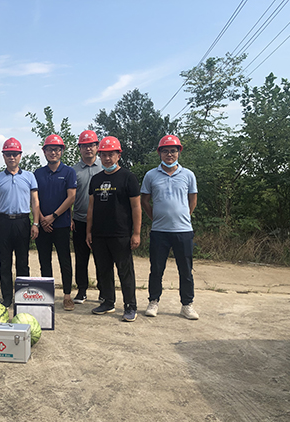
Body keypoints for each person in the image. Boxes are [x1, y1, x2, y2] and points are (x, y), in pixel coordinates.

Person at [141, 134, 199, 320]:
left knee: (186, 270)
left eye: (173, 151)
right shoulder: (151, 175)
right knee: (156, 269)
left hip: (183, 231)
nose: (169, 154)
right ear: (159, 153)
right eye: (165, 151)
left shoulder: (188, 175)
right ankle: (153, 301)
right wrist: (155, 217)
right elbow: (144, 201)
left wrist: (184, 216)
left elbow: (192, 199)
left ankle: (187, 305)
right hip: (159, 231)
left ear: (178, 152)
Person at [86, 136, 141, 322]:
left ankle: (130, 306)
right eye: (104, 155)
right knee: (103, 270)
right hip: (99, 234)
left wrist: (136, 233)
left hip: (121, 233)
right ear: (99, 156)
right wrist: (89, 231)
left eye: (111, 154)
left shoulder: (128, 177)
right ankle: (108, 302)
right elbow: (91, 207)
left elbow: (136, 207)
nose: (107, 158)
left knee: (125, 271)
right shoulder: (96, 179)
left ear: (118, 155)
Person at [0, 137, 40, 307]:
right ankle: (7, 298)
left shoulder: (29, 176)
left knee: (23, 261)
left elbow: (35, 201)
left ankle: (23, 296)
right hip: (3, 222)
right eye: (8, 154)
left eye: (15, 154)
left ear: (20, 155)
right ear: (3, 156)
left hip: (22, 222)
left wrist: (35, 223)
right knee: (4, 262)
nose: (12, 157)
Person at [34, 134, 77, 311]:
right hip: (43, 224)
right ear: (44, 151)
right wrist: (41, 219)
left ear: (62, 151)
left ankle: (67, 295)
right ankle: (47, 294)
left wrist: (53, 216)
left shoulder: (69, 172)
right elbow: (34, 199)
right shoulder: (38, 173)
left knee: (64, 260)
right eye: (50, 149)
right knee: (44, 260)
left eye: (57, 149)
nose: (53, 152)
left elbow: (71, 197)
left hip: (61, 224)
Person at [72, 130, 103, 304]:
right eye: (84, 146)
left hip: (100, 221)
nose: (88, 149)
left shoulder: (104, 167)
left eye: (91, 145)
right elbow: (68, 197)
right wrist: (69, 217)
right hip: (79, 220)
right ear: (80, 148)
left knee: (101, 258)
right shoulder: (73, 171)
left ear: (97, 147)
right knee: (81, 258)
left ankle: (103, 291)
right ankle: (82, 290)